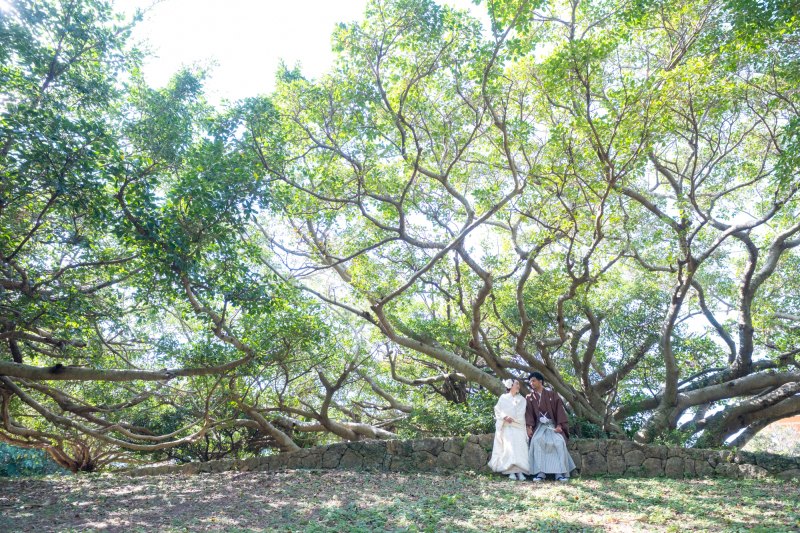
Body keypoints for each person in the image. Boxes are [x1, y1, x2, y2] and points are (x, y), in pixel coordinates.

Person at [525, 372, 575, 482]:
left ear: (540, 381)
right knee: (537, 441)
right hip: (539, 426)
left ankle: (559, 473)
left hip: (553, 425)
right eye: (530, 381)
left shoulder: (553, 395)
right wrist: (528, 428)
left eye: (533, 381)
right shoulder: (529, 397)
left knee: (559, 442)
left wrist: (559, 426)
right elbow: (528, 413)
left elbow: (559, 411)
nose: (531, 383)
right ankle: (540, 472)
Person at [488, 378, 530, 481]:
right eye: (516, 384)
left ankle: (520, 471)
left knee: (520, 448)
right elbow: (497, 409)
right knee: (508, 448)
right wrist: (505, 417)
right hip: (507, 426)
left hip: (519, 427)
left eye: (519, 384)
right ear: (510, 385)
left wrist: (515, 420)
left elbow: (522, 414)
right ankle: (511, 471)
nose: (518, 386)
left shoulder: (522, 399)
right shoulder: (503, 398)